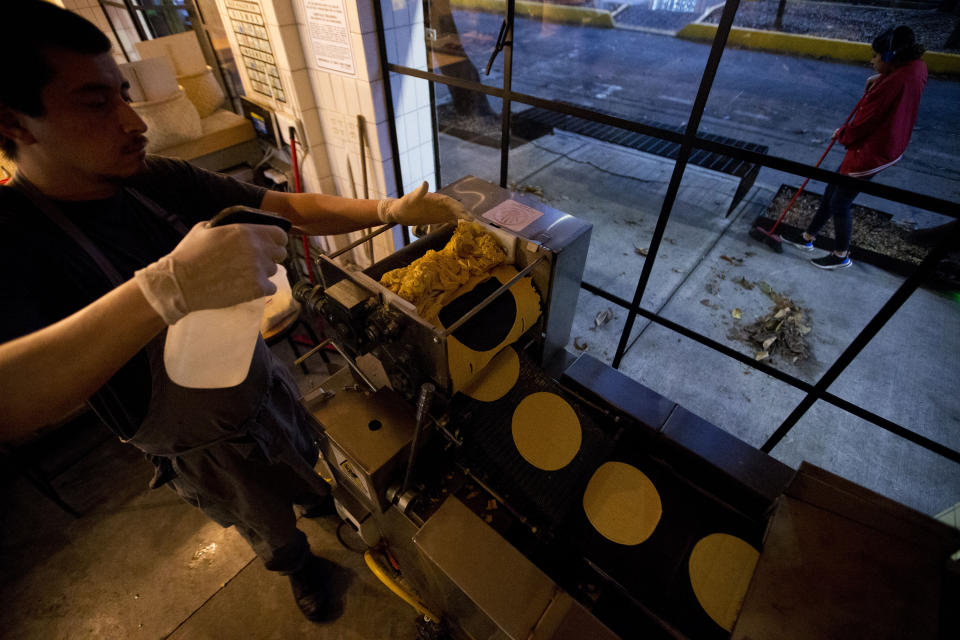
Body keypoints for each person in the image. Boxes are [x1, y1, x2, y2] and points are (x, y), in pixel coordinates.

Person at [0, 1, 466, 623]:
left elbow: (285, 206)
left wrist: (386, 213)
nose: (133, 122)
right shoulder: (15, 238)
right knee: (261, 515)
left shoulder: (152, 180)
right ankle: (298, 564)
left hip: (260, 383)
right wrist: (162, 291)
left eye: (124, 94)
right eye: (95, 102)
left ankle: (326, 506)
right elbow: (13, 400)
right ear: (15, 123)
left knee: (307, 463)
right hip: (196, 441)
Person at [781, 26, 927, 270]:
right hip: (885, 147)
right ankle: (808, 238)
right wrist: (883, 76)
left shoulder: (890, 87)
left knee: (840, 201)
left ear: (891, 58)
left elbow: (865, 122)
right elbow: (896, 84)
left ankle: (841, 255)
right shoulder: (914, 68)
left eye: (876, 56)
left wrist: (844, 134)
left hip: (872, 152)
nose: (872, 61)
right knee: (831, 188)